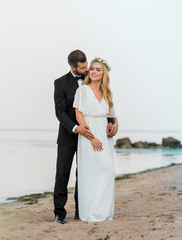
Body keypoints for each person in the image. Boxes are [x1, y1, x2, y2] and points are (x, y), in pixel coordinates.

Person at [53, 51, 117, 224]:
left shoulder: (94, 81)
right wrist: (76, 128)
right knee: (62, 174)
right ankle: (59, 212)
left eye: (87, 65)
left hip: (92, 134)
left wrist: (112, 121)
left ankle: (82, 210)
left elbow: (103, 107)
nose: (88, 69)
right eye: (83, 67)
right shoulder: (60, 83)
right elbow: (60, 111)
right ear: (72, 67)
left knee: (86, 174)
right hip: (69, 135)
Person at [73, 57, 118, 222]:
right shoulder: (83, 90)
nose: (93, 72)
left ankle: (103, 211)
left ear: (103, 73)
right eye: (92, 69)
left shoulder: (107, 92)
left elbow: (112, 115)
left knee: (105, 171)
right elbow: (78, 114)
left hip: (104, 137)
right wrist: (91, 138)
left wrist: (115, 124)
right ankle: (94, 212)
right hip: (89, 135)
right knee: (97, 172)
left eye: (98, 70)